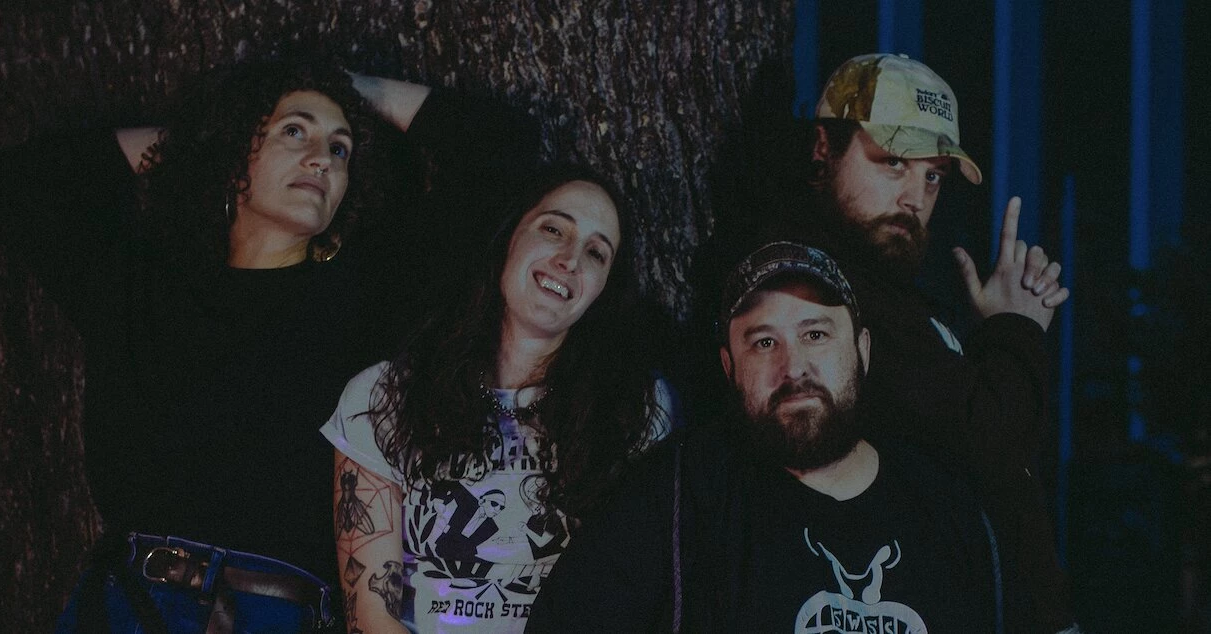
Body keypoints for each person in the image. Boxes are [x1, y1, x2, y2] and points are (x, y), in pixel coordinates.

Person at [0, 52, 539, 630]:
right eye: (294, 131)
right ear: (234, 163)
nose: (320, 157)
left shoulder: (370, 299)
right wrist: (210, 132)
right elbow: (24, 185)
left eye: (341, 148)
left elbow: (500, 148)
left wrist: (347, 85)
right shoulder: (143, 287)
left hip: (272, 612)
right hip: (127, 605)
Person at [701, 53, 1076, 631]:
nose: (914, 198)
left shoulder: (888, 287)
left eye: (933, 176)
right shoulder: (816, 288)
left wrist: (995, 328)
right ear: (823, 148)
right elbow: (989, 440)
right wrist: (1015, 327)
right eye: (894, 162)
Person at [527, 241, 1006, 631]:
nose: (793, 367)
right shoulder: (682, 494)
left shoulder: (947, 511)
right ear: (729, 367)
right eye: (764, 342)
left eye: (815, 334)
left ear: (862, 351)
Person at [322, 165, 673, 633]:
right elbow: (370, 617)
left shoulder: (636, 411)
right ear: (509, 236)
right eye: (554, 229)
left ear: (604, 289)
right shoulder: (385, 396)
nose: (570, 259)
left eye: (596, 253)